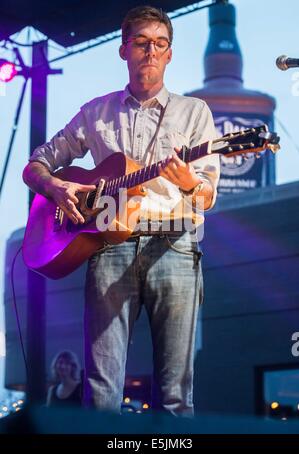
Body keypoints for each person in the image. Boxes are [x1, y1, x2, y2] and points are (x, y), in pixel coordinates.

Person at [23, 6, 220, 416]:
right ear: (123, 50)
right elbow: (36, 163)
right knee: (100, 390)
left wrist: (186, 181)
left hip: (176, 245)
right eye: (141, 42)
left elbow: (207, 196)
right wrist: (56, 186)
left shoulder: (194, 112)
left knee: (175, 392)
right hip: (109, 247)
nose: (151, 51)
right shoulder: (96, 112)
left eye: (160, 44)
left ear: (169, 55)